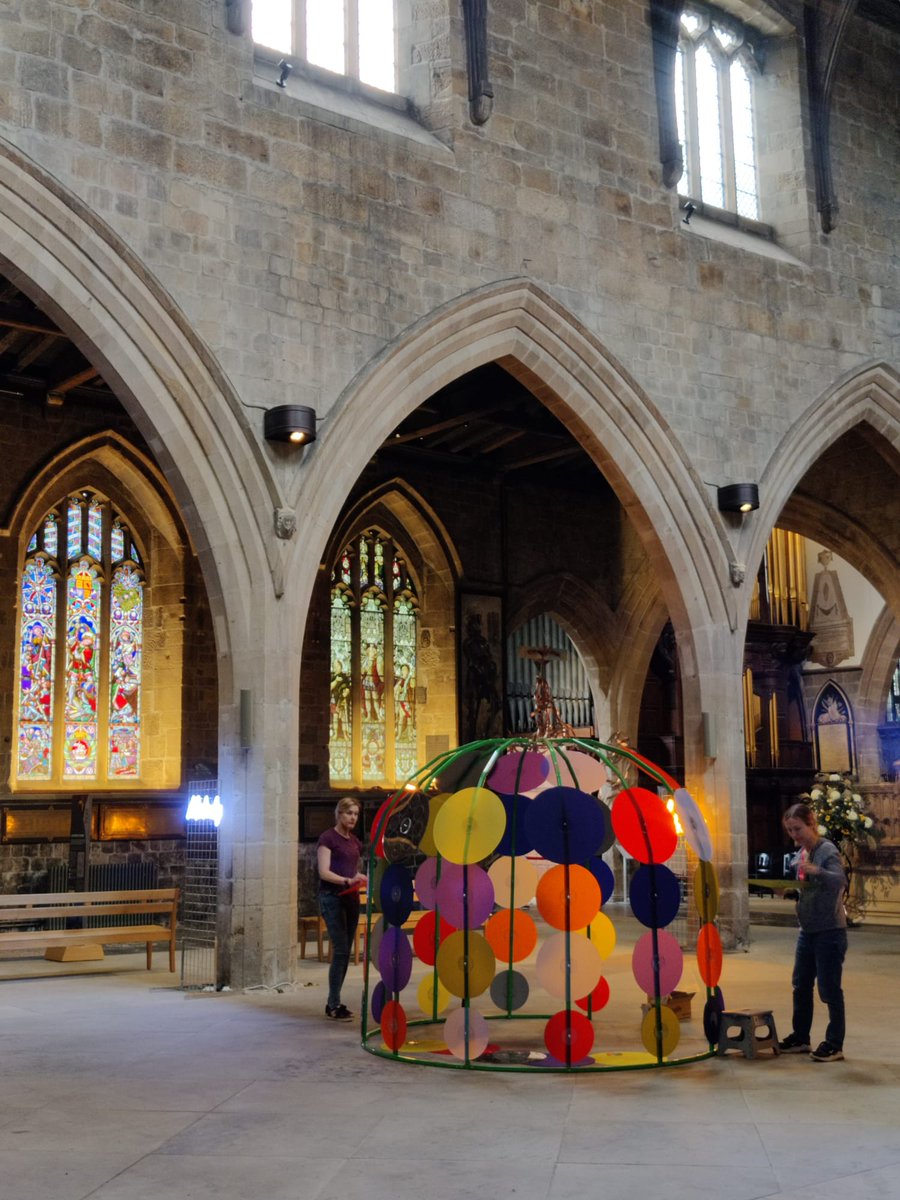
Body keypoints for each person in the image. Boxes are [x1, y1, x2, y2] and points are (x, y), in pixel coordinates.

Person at [778, 801, 848, 1061]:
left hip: (829, 930)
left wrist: (818, 870)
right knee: (801, 984)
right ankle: (800, 1036)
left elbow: (839, 880)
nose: (794, 835)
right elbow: (807, 887)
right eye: (790, 831)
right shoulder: (802, 853)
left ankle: (834, 1043)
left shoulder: (825, 849)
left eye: (797, 829)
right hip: (807, 929)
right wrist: (788, 890)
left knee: (829, 988)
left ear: (811, 824)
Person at [316, 797, 367, 1021]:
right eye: (349, 813)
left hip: (351, 898)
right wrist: (346, 881)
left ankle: (334, 1001)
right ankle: (333, 1004)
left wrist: (356, 878)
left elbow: (350, 869)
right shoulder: (328, 838)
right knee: (341, 950)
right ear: (339, 814)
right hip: (332, 897)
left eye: (356, 814)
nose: (353, 817)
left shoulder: (355, 842)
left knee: (346, 951)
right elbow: (324, 872)